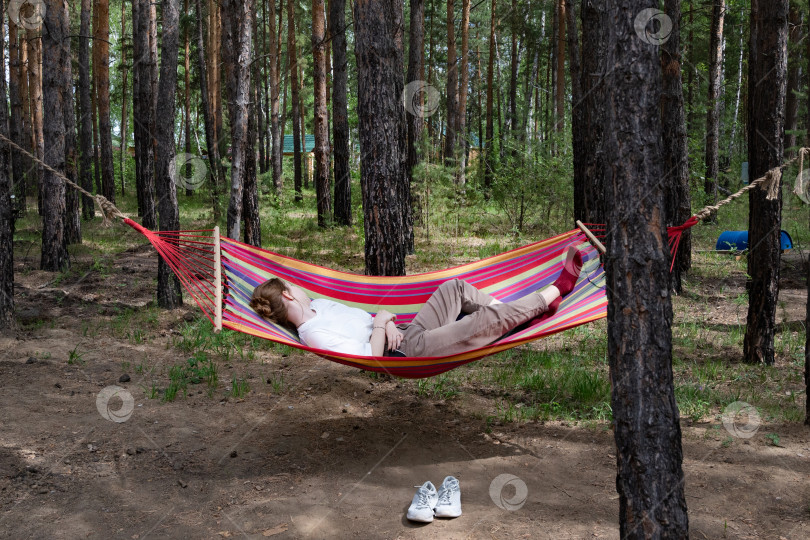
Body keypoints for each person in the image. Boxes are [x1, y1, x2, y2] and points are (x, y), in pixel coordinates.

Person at [249, 246, 583, 358]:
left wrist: (386, 318)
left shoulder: (324, 307)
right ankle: (556, 291)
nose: (300, 287)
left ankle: (517, 315)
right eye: (294, 285)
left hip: (405, 329)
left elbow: (376, 316)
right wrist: (382, 320)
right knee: (477, 324)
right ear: (289, 295)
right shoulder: (313, 333)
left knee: (454, 288)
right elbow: (370, 356)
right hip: (406, 352)